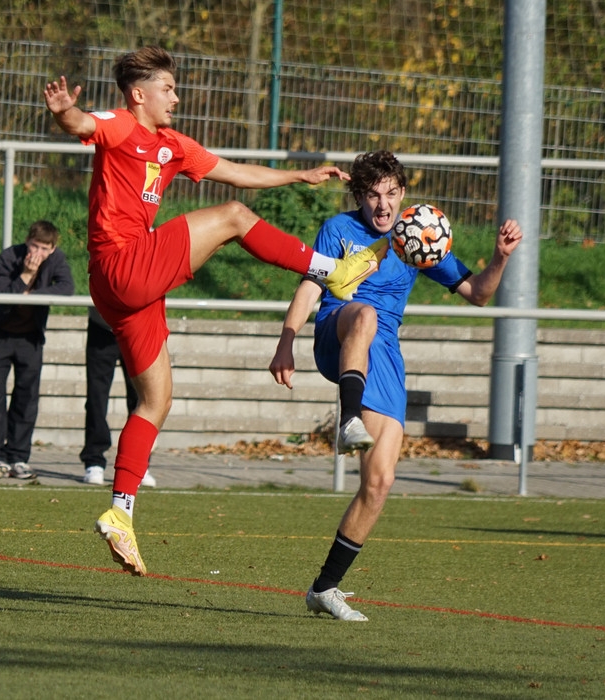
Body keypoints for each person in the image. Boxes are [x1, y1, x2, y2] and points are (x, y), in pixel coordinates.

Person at [43, 45, 385, 576]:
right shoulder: (121, 125)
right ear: (138, 95)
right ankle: (331, 271)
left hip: (126, 290)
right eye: (167, 89)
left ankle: (121, 513)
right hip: (123, 264)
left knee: (156, 401)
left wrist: (299, 176)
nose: (176, 97)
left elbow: (234, 170)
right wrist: (65, 111)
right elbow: (83, 123)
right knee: (232, 217)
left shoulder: (173, 145)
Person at [269, 150, 523, 620]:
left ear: (403, 193)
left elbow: (479, 294)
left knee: (380, 481)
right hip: (338, 329)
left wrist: (500, 258)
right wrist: (286, 342)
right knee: (364, 314)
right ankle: (348, 419)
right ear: (359, 197)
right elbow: (310, 287)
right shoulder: (338, 230)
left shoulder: (415, 236)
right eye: (372, 195)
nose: (382, 205)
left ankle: (325, 587)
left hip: (383, 355)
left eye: (390, 193)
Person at [0, 220, 74, 479]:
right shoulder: (10, 256)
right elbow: (2, 294)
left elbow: (67, 288)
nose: (38, 253)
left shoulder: (56, 260)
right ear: (27, 241)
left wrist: (32, 296)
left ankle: (18, 457)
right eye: (34, 246)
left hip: (30, 340)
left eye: (44, 248)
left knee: (27, 399)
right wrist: (25, 275)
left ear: (52, 249)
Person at [80, 306, 156, 488]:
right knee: (97, 398)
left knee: (140, 399)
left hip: (137, 329)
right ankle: (94, 461)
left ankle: (139, 463)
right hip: (102, 327)